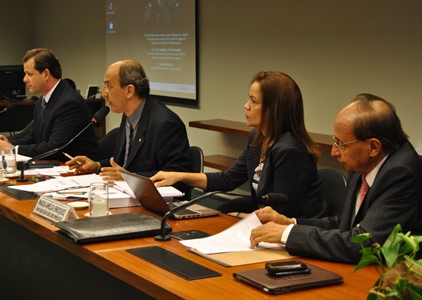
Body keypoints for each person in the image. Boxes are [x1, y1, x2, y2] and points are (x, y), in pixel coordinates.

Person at [249, 94, 422, 264]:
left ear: (373, 147)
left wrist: (287, 234)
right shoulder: (363, 163)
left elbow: (363, 244)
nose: (334, 152)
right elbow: (345, 223)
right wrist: (291, 223)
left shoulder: (401, 173)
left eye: (340, 143)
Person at [151, 71, 325, 218]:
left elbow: (282, 213)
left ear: (275, 108)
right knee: (224, 210)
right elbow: (229, 179)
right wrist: (179, 176)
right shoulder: (257, 138)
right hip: (263, 219)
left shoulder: (289, 150)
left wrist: (242, 217)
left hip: (293, 231)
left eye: (254, 101)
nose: (246, 106)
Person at [65, 59, 191, 190]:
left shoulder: (165, 123)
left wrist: (129, 177)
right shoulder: (128, 116)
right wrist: (96, 165)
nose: (104, 93)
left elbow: (178, 177)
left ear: (129, 91)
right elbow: (124, 164)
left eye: (109, 86)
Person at [0, 48, 98, 161]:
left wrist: (12, 149)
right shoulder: (43, 100)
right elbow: (34, 137)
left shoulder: (69, 103)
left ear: (46, 74)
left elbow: (54, 148)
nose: (24, 79)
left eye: (29, 74)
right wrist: (8, 143)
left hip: (76, 171)